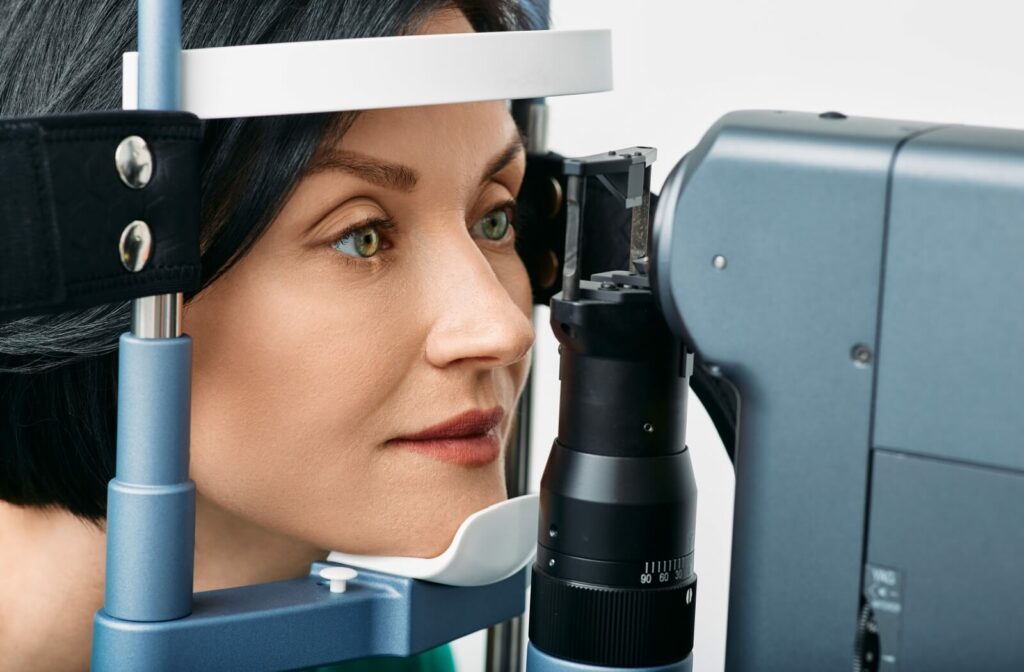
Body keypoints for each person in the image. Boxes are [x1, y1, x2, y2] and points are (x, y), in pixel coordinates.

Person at [0, 1, 540, 670]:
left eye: (495, 219)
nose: (504, 329)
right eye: (361, 236)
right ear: (108, 259)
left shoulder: (375, 648)